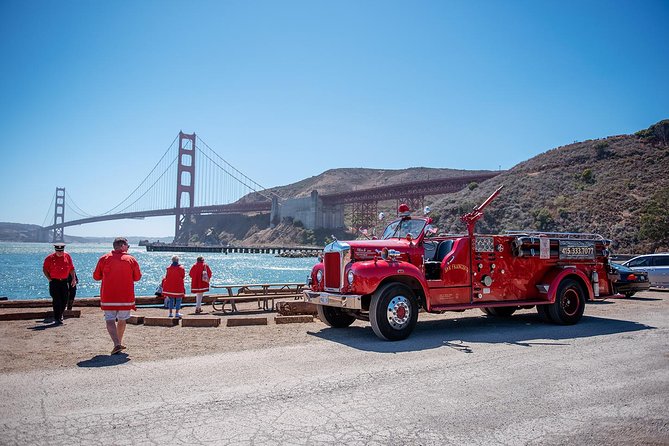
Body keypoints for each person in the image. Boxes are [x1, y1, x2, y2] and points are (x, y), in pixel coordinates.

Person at [93, 237, 142, 355]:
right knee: (122, 319)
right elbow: (137, 277)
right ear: (122, 246)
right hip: (125, 296)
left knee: (109, 319)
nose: (128, 248)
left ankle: (116, 344)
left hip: (108, 295)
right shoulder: (131, 259)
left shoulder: (103, 258)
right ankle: (118, 342)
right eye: (128, 246)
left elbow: (96, 276)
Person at [42, 243, 76, 325]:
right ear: (55, 250)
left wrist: (73, 278)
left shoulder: (67, 256)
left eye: (61, 251)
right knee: (57, 300)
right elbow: (44, 269)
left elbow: (71, 268)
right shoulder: (49, 258)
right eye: (58, 251)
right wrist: (49, 279)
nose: (60, 252)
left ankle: (60, 315)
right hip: (54, 281)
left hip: (64, 281)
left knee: (64, 299)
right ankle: (57, 318)